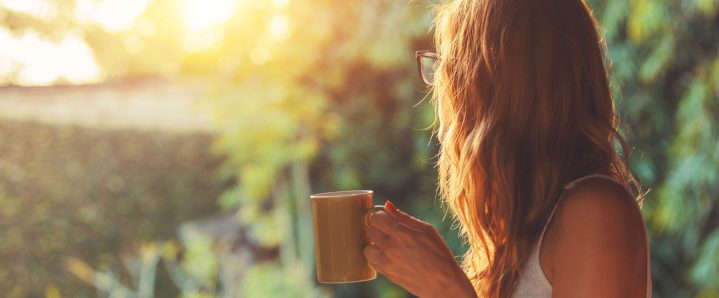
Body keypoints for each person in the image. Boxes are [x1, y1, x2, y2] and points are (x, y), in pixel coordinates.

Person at [363, 0, 651, 297]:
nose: (448, 104)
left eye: (454, 72)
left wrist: (446, 289)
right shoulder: (517, 237)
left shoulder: (596, 211)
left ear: (495, 87)